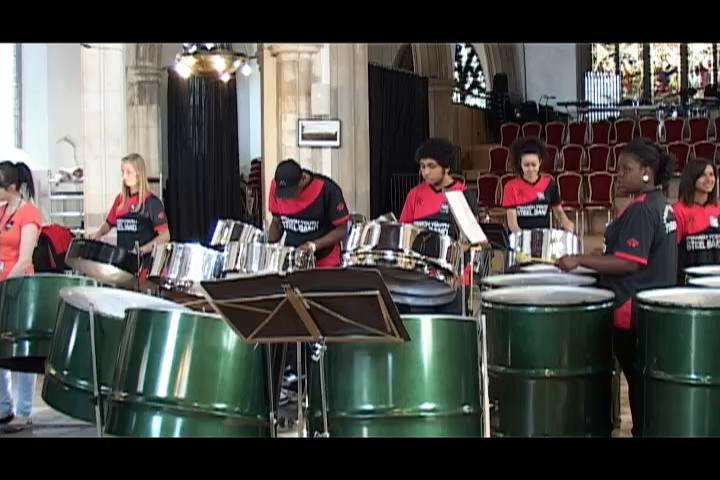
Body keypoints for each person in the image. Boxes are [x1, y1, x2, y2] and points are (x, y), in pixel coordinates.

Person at [557, 138, 677, 436]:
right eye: (618, 168)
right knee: (643, 382)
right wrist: (602, 257)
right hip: (651, 307)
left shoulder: (641, 210)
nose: (619, 174)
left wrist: (579, 259)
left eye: (627, 169)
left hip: (631, 308)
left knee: (637, 383)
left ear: (647, 172)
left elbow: (630, 263)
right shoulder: (660, 204)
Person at [399, 137, 477, 314]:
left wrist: (461, 274)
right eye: (422, 166)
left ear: (446, 167)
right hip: (420, 280)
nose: (425, 172)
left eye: (431, 166)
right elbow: (404, 233)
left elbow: (470, 241)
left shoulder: (463, 195)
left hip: (453, 281)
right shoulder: (414, 195)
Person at [0, 162, 43, 433]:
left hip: (19, 288)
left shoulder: (29, 214)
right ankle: (4, 407)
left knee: (19, 352)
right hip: (2, 282)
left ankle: (24, 410)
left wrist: (5, 285)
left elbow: (24, 258)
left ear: (12, 187)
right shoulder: (3, 212)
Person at [88, 153, 170, 269]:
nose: (124, 177)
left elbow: (165, 236)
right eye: (123, 172)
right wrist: (98, 234)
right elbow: (109, 223)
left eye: (128, 172)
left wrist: (142, 250)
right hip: (122, 262)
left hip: (144, 265)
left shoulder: (151, 202)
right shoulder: (120, 200)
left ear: (139, 173)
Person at [267, 159, 350, 267]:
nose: (287, 198)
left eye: (291, 192)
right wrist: (268, 250)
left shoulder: (327, 189)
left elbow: (342, 230)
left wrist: (313, 245)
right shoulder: (275, 186)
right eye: (283, 194)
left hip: (325, 261)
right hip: (293, 260)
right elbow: (277, 222)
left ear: (303, 179)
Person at [502, 137, 575, 233]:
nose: (530, 169)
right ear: (520, 163)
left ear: (540, 162)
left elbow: (559, 211)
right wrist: (524, 239)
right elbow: (513, 225)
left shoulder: (549, 184)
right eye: (526, 165)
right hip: (520, 239)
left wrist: (566, 222)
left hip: (544, 237)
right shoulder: (510, 187)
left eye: (533, 164)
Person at [672, 157, 720, 283]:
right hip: (688, 284)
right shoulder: (678, 211)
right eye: (703, 175)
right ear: (692, 177)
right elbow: (672, 252)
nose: (709, 179)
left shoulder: (718, 209)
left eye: (712, 174)